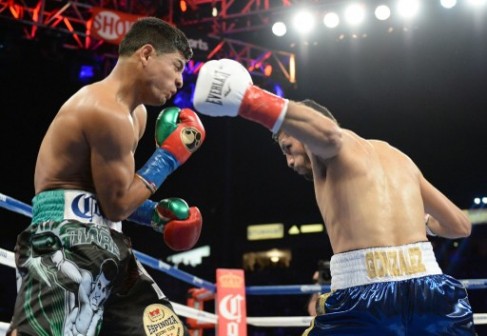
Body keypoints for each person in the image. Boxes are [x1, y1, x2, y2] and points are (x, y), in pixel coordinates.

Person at [192, 59, 476, 335]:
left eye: (288, 147)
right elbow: (459, 225)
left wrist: (249, 100)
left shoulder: (334, 149)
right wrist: (421, 222)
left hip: (366, 298)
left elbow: (329, 135)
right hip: (432, 291)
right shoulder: (399, 157)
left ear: (304, 130)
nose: (289, 162)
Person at [8, 17, 206, 336]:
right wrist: (170, 156)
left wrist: (154, 215)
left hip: (110, 243)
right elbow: (115, 205)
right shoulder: (104, 109)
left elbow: (109, 197)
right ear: (146, 54)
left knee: (166, 331)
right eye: (177, 66)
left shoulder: (136, 115)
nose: (181, 80)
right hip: (63, 242)